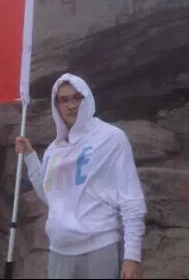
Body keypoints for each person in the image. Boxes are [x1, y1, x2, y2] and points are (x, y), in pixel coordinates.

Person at [14, 73, 147, 279]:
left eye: (77, 97)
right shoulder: (53, 151)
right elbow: (51, 197)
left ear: (88, 98)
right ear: (56, 105)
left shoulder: (111, 138)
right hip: (59, 252)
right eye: (64, 100)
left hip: (99, 248)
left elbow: (131, 199)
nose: (71, 105)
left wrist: (132, 256)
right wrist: (31, 158)